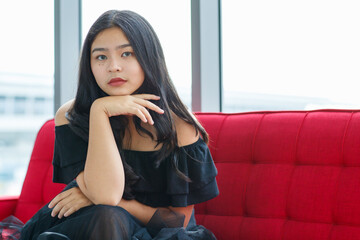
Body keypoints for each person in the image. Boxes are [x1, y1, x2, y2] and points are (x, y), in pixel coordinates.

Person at [18, 9, 219, 240]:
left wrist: (116, 203)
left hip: (155, 233)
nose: (113, 66)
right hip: (85, 224)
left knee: (108, 215)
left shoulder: (180, 128)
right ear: (90, 65)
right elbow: (105, 194)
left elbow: (176, 221)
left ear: (149, 57)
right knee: (105, 216)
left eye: (127, 54)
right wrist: (100, 111)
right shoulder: (71, 115)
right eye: (101, 57)